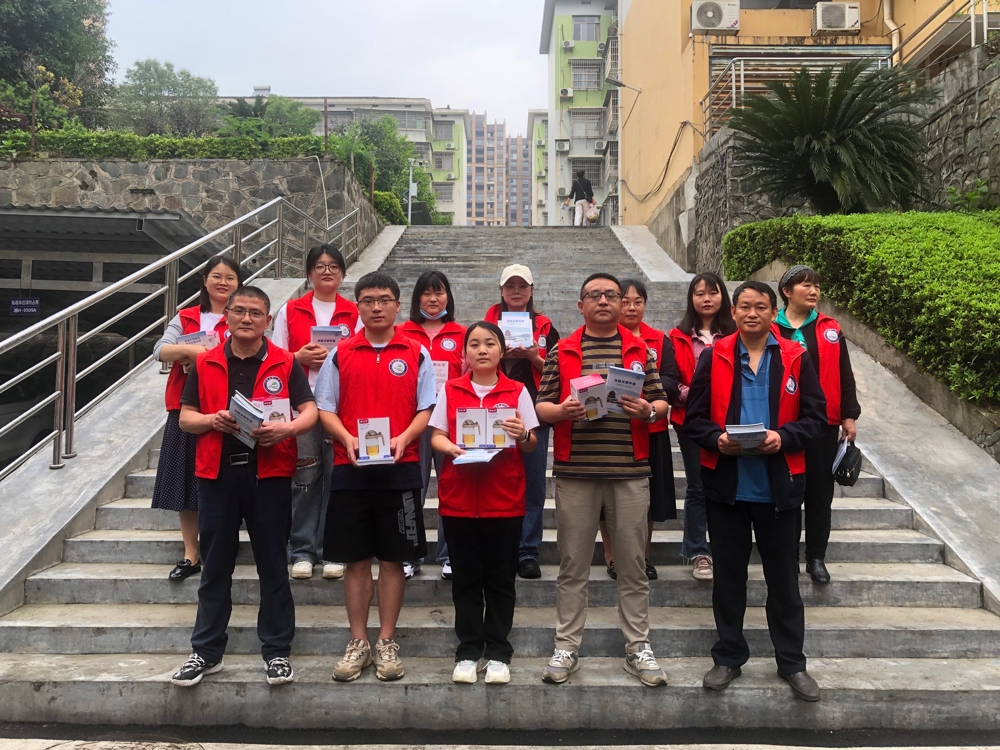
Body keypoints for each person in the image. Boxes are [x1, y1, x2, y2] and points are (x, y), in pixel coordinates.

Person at [685, 280, 827, 702]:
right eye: (744, 306)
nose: (752, 313)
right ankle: (728, 657)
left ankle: (792, 663)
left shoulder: (796, 356)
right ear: (733, 311)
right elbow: (694, 420)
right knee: (729, 580)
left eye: (760, 307)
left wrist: (784, 438)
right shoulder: (714, 356)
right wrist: (717, 440)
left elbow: (816, 419)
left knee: (784, 582)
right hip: (727, 489)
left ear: (772, 311)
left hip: (778, 488)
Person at [170, 286, 318, 688]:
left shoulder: (284, 361)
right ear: (227, 317)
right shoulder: (207, 362)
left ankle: (277, 651)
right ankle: (206, 651)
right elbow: (185, 417)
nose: (246, 318)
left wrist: (288, 429)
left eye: (255, 313)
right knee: (215, 565)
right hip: (217, 475)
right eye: (239, 311)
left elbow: (309, 410)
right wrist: (211, 420)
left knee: (272, 564)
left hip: (268, 474)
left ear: (268, 321)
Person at [535, 273, 671, 688]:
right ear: (581, 305)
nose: (604, 301)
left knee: (632, 565)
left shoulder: (641, 350)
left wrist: (647, 410)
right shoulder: (562, 350)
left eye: (612, 295)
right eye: (594, 295)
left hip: (629, 471)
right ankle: (566, 646)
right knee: (572, 565)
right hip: (576, 472)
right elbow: (541, 406)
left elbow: (662, 401)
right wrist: (562, 411)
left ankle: (638, 647)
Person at [315, 271, 435, 683]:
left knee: (393, 558)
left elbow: (426, 408)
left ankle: (385, 640)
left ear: (398, 305)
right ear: (358, 307)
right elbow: (325, 407)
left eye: (384, 300)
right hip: (351, 468)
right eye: (368, 301)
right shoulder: (340, 353)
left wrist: (405, 437)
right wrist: (346, 438)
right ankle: (358, 641)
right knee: (355, 559)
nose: (376, 307)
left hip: (400, 468)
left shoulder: (417, 352)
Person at [429, 321, 539, 685]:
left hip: (503, 500)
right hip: (459, 501)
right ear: (465, 353)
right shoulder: (451, 389)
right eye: (474, 344)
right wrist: (451, 448)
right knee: (465, 580)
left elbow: (532, 443)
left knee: (500, 581)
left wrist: (522, 433)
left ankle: (498, 652)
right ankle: (468, 650)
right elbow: (437, 436)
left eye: (489, 343)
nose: (481, 350)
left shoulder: (517, 391)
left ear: (501, 351)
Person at [270, 244, 360, 582]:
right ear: (309, 273)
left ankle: (333, 549)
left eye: (333, 266)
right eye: (319, 266)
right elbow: (274, 357)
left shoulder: (354, 312)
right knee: (305, 478)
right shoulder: (291, 310)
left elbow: (364, 355)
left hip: (341, 406)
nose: (326, 271)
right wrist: (299, 357)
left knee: (338, 478)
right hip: (302, 405)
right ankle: (302, 551)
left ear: (343, 273)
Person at [152, 254, 241, 582]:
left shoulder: (241, 316)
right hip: (186, 409)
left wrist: (208, 358)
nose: (223, 282)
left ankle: (221, 546)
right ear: (204, 281)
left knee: (225, 480)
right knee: (185, 482)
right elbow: (160, 350)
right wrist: (192, 352)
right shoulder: (187, 317)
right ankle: (191, 552)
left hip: (228, 407)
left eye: (230, 277)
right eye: (216, 276)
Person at [774, 265, 861, 585]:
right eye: (806, 285)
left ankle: (815, 557)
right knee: (786, 490)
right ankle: (787, 557)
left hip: (823, 423)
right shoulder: (771, 328)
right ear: (787, 291)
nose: (814, 292)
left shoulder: (829, 328)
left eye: (817, 286)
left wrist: (848, 416)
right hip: (783, 424)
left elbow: (844, 373)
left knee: (820, 492)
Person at [597, 278, 677, 582]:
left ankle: (643, 555)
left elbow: (670, 381)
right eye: (626, 301)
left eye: (638, 302)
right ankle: (611, 556)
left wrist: (640, 390)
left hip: (649, 429)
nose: (631, 307)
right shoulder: (602, 338)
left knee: (648, 500)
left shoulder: (658, 340)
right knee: (606, 499)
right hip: (610, 430)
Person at [484, 264, 558, 580]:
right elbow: (473, 362)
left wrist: (532, 356)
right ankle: (496, 547)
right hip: (492, 410)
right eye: (510, 286)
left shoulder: (545, 327)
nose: (516, 291)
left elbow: (556, 370)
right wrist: (499, 353)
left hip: (534, 413)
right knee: (493, 478)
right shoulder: (486, 326)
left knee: (533, 483)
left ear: (531, 290)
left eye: (522, 286)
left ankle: (527, 550)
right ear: (501, 291)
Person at [665, 273, 736, 582]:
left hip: (732, 420)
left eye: (713, 292)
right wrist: (696, 397)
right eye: (699, 293)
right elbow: (670, 379)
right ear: (691, 298)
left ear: (723, 297)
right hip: (691, 422)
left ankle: (728, 546)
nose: (706, 298)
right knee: (697, 486)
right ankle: (698, 551)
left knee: (731, 483)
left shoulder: (736, 333)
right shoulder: (677, 336)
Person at [400, 270, 467, 581]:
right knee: (411, 487)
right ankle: (408, 554)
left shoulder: (462, 333)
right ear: (417, 298)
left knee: (451, 487)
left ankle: (450, 554)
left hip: (449, 423)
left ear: (448, 297)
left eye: (439, 293)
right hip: (411, 421)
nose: (432, 299)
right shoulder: (401, 333)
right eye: (426, 293)